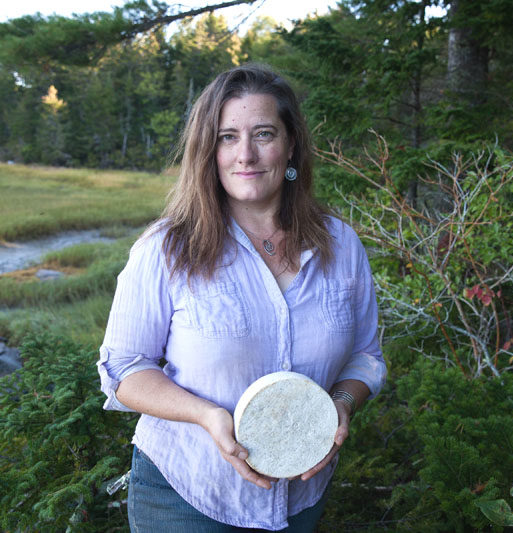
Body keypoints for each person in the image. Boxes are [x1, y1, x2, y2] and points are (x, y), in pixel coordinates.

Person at [97, 64, 386, 532]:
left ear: (291, 145)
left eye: (264, 134)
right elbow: (124, 369)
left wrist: (343, 403)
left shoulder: (341, 244)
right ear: (207, 151)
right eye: (227, 136)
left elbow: (365, 356)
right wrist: (206, 415)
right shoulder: (165, 249)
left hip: (303, 495)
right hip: (187, 497)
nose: (245, 154)